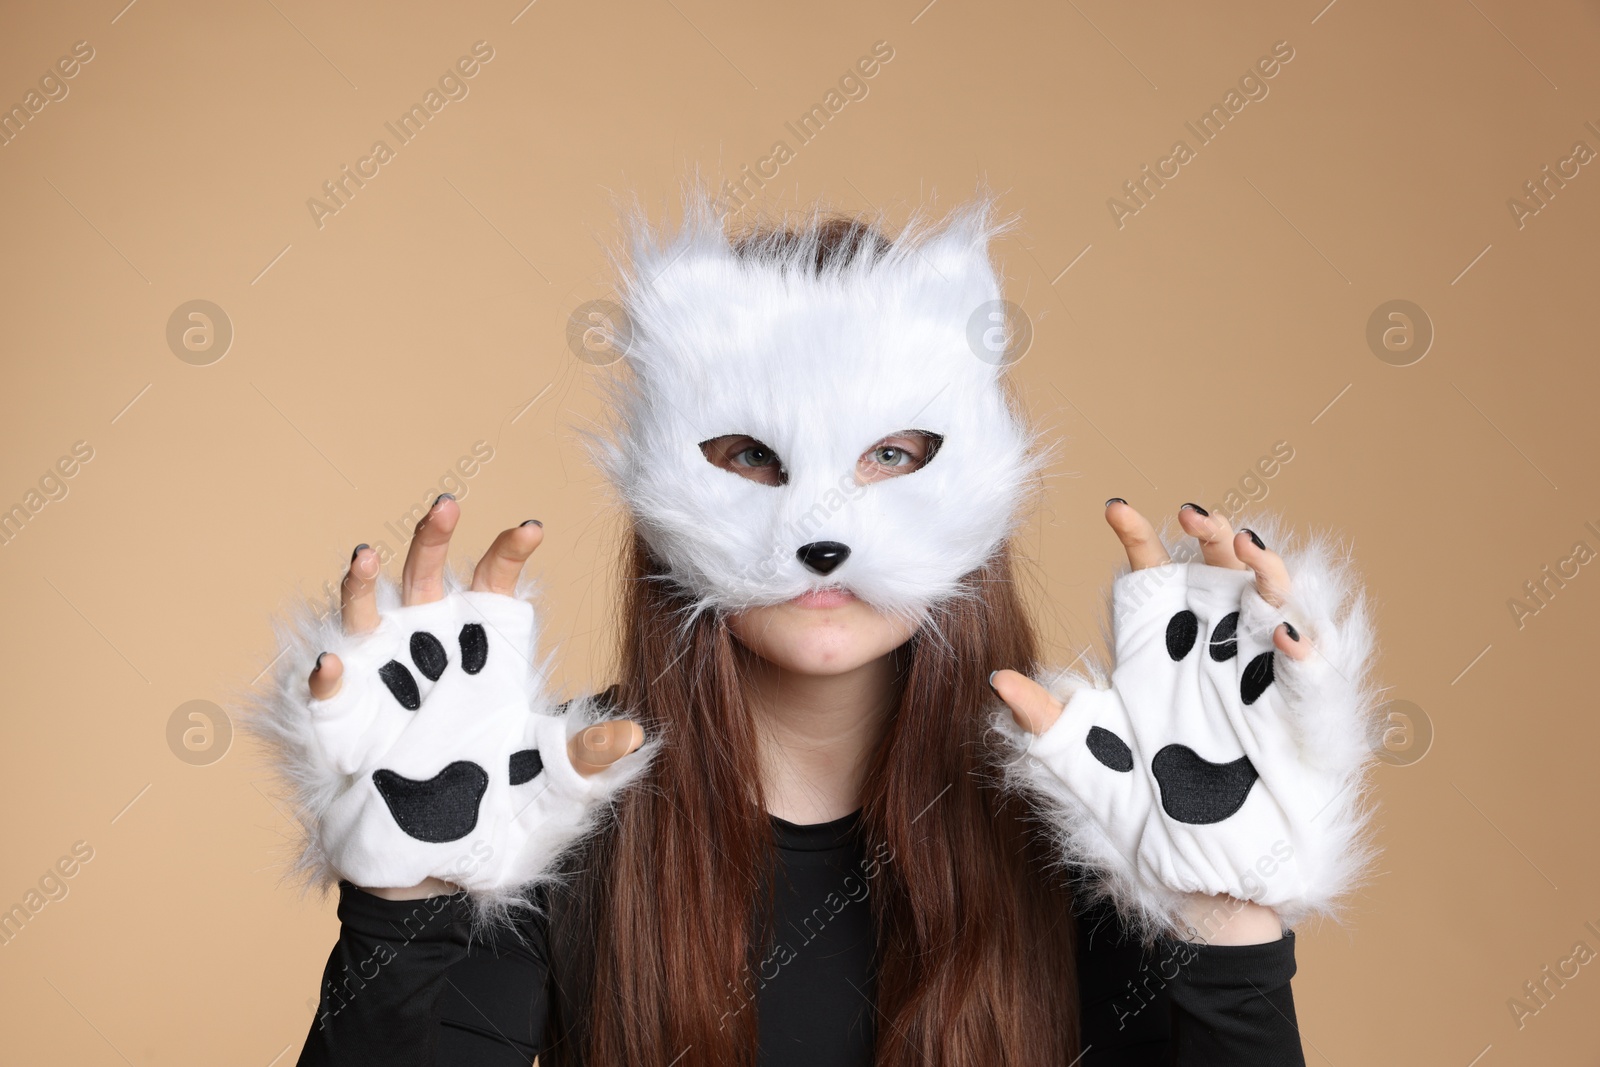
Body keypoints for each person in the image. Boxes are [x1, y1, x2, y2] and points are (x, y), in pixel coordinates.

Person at [251, 199, 1381, 1066]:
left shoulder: (1104, 802)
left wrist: (1223, 915)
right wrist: (407, 903)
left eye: (892, 454)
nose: (822, 524)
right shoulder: (534, 799)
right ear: (660, 488)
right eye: (750, 456)